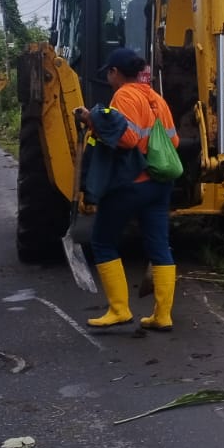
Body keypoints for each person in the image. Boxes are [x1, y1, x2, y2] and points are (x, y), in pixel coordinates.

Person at [74, 46, 179, 331]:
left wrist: (92, 120)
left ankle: (119, 310)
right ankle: (162, 316)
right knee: (158, 246)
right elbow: (174, 141)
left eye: (109, 73)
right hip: (159, 184)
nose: (108, 78)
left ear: (115, 72)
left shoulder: (124, 95)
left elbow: (128, 138)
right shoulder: (155, 98)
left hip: (131, 184)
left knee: (102, 241)